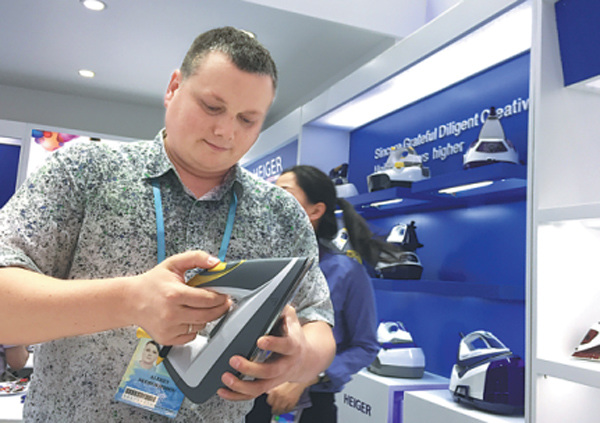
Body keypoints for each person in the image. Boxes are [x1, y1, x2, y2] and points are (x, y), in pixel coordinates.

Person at [0, 27, 335, 422]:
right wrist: (129, 301)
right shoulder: (83, 172)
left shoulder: (281, 213)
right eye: (212, 107)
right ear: (174, 87)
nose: (226, 131)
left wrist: (297, 359)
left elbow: (320, 326)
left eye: (247, 119)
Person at [246, 165, 397, 422]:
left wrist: (306, 378)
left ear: (315, 210)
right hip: (247, 396)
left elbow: (365, 346)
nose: (271, 202)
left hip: (311, 404)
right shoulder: (255, 262)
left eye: (283, 194)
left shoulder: (345, 272)